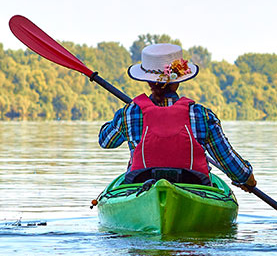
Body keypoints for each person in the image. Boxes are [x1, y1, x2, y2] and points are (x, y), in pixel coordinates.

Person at [98, 42, 258, 192]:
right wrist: (247, 179)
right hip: (195, 188)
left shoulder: (129, 113)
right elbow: (229, 161)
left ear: (148, 81)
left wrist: (122, 116)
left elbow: (105, 141)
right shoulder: (201, 115)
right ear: (178, 82)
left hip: (142, 187)